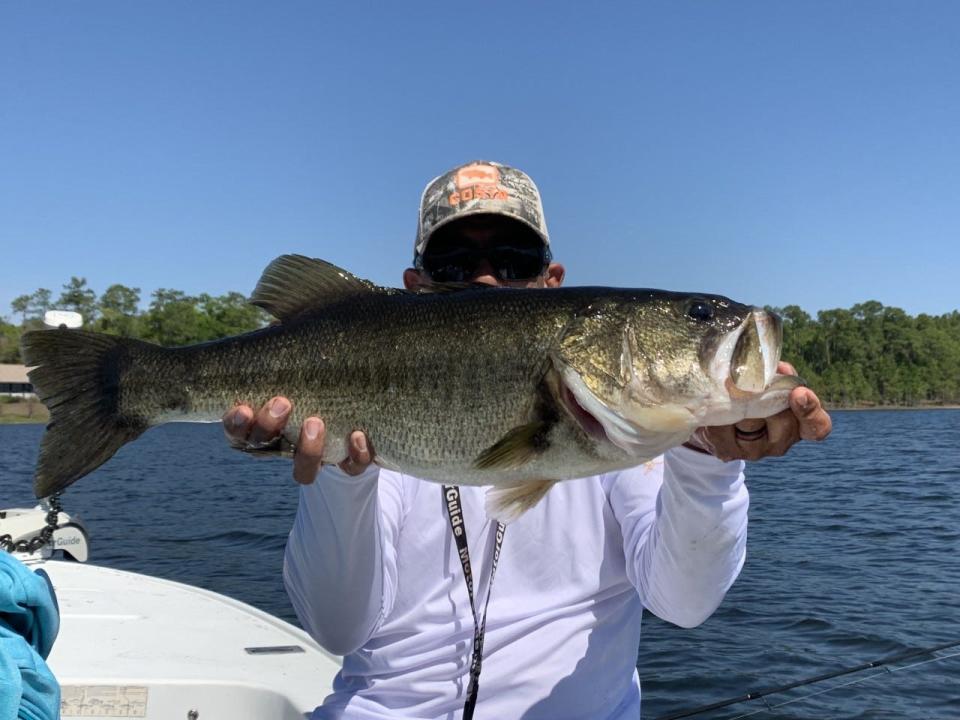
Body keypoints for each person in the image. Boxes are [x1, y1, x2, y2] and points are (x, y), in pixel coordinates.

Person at [222, 161, 832, 719]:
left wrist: (710, 459)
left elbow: (685, 603)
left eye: (514, 259)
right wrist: (339, 476)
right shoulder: (365, 417)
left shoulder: (637, 435)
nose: (487, 278)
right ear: (414, 286)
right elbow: (337, 629)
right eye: (456, 264)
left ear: (552, 281)